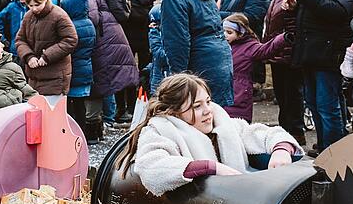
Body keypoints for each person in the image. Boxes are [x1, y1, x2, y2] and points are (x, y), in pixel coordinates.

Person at [122, 73, 301, 197]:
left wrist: (281, 150)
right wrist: (210, 167)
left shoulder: (223, 125)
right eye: (197, 106)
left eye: (208, 102)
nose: (208, 110)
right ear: (174, 111)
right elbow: (152, 167)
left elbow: (262, 133)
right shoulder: (160, 131)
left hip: (241, 202)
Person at [288, 0, 353, 156]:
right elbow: (315, 5)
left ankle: (334, 151)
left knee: (328, 104)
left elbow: (339, 10)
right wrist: (296, 4)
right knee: (314, 102)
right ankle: (322, 145)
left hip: (329, 50)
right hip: (311, 48)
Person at [49, 0, 140, 138]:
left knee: (99, 86)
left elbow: (91, 19)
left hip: (103, 42)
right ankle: (102, 124)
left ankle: (98, 126)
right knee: (103, 83)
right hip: (106, 39)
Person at [149, 0, 233, 106]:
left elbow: (177, 43)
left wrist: (178, 79)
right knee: (214, 115)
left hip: (199, 65)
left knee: (196, 117)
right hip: (219, 60)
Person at [263, 0, 309, 144]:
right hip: (279, 47)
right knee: (283, 93)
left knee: (292, 93)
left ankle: (295, 131)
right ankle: (284, 130)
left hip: (290, 48)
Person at [14, 0, 78, 97]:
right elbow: (20, 39)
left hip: (55, 78)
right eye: (30, 5)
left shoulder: (59, 15)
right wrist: (28, 56)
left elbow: (70, 40)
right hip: (34, 78)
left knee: (52, 113)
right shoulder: (28, 16)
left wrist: (47, 56)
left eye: (37, 5)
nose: (34, 9)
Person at [222, 14, 287, 122]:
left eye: (229, 32)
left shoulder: (249, 47)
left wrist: (282, 39)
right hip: (225, 91)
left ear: (240, 34)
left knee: (239, 124)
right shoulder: (222, 45)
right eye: (223, 31)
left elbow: (267, 49)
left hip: (240, 92)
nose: (225, 35)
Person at [61, 0, 99, 141]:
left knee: (71, 107)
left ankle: (73, 134)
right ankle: (81, 134)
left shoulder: (73, 26)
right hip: (84, 70)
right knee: (80, 105)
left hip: (74, 71)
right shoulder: (88, 23)